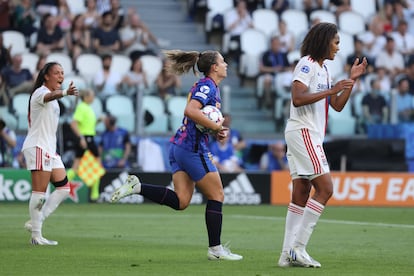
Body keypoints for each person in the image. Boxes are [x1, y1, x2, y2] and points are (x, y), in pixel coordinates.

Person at [110, 49, 243, 261]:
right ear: (214, 67)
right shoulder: (207, 86)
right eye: (223, 61)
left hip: (179, 146)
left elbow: (198, 119)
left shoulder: (208, 86)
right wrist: (216, 128)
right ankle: (215, 250)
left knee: (181, 201)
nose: (226, 64)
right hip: (192, 149)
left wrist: (213, 129)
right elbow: (190, 111)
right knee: (217, 195)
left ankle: (137, 187)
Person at [277, 22, 367, 268]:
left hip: (306, 134)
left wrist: (351, 81)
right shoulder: (306, 63)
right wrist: (331, 91)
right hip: (303, 131)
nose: (338, 48)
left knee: (302, 193)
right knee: (326, 189)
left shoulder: (324, 70)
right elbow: (297, 98)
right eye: (336, 42)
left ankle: (286, 254)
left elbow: (336, 106)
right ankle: (298, 248)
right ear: (324, 41)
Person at [21, 61, 78, 245]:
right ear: (46, 76)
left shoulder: (51, 97)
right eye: (57, 73)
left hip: (49, 150)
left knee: (64, 188)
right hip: (38, 146)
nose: (61, 76)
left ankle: (36, 222)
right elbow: (49, 97)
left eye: (63, 73)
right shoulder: (40, 92)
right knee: (39, 193)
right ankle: (36, 236)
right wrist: (64, 93)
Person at [68, 88, 102, 202]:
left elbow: (87, 126)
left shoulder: (87, 108)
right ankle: (95, 193)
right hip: (86, 138)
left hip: (88, 137)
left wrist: (98, 122)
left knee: (76, 165)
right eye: (92, 95)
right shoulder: (82, 107)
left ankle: (61, 187)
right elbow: (73, 124)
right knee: (96, 164)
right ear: (86, 97)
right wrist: (81, 138)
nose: (93, 98)